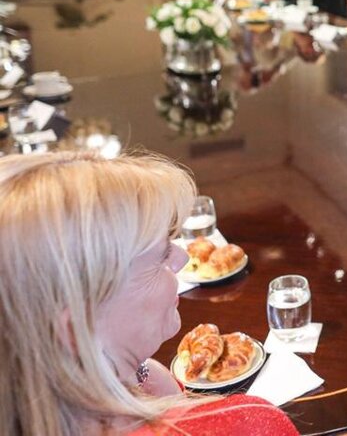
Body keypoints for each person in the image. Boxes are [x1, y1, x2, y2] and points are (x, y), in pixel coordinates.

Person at [0, 151, 299, 435]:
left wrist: (137, 372)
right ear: (79, 329)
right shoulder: (245, 426)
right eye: (160, 256)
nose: (181, 259)